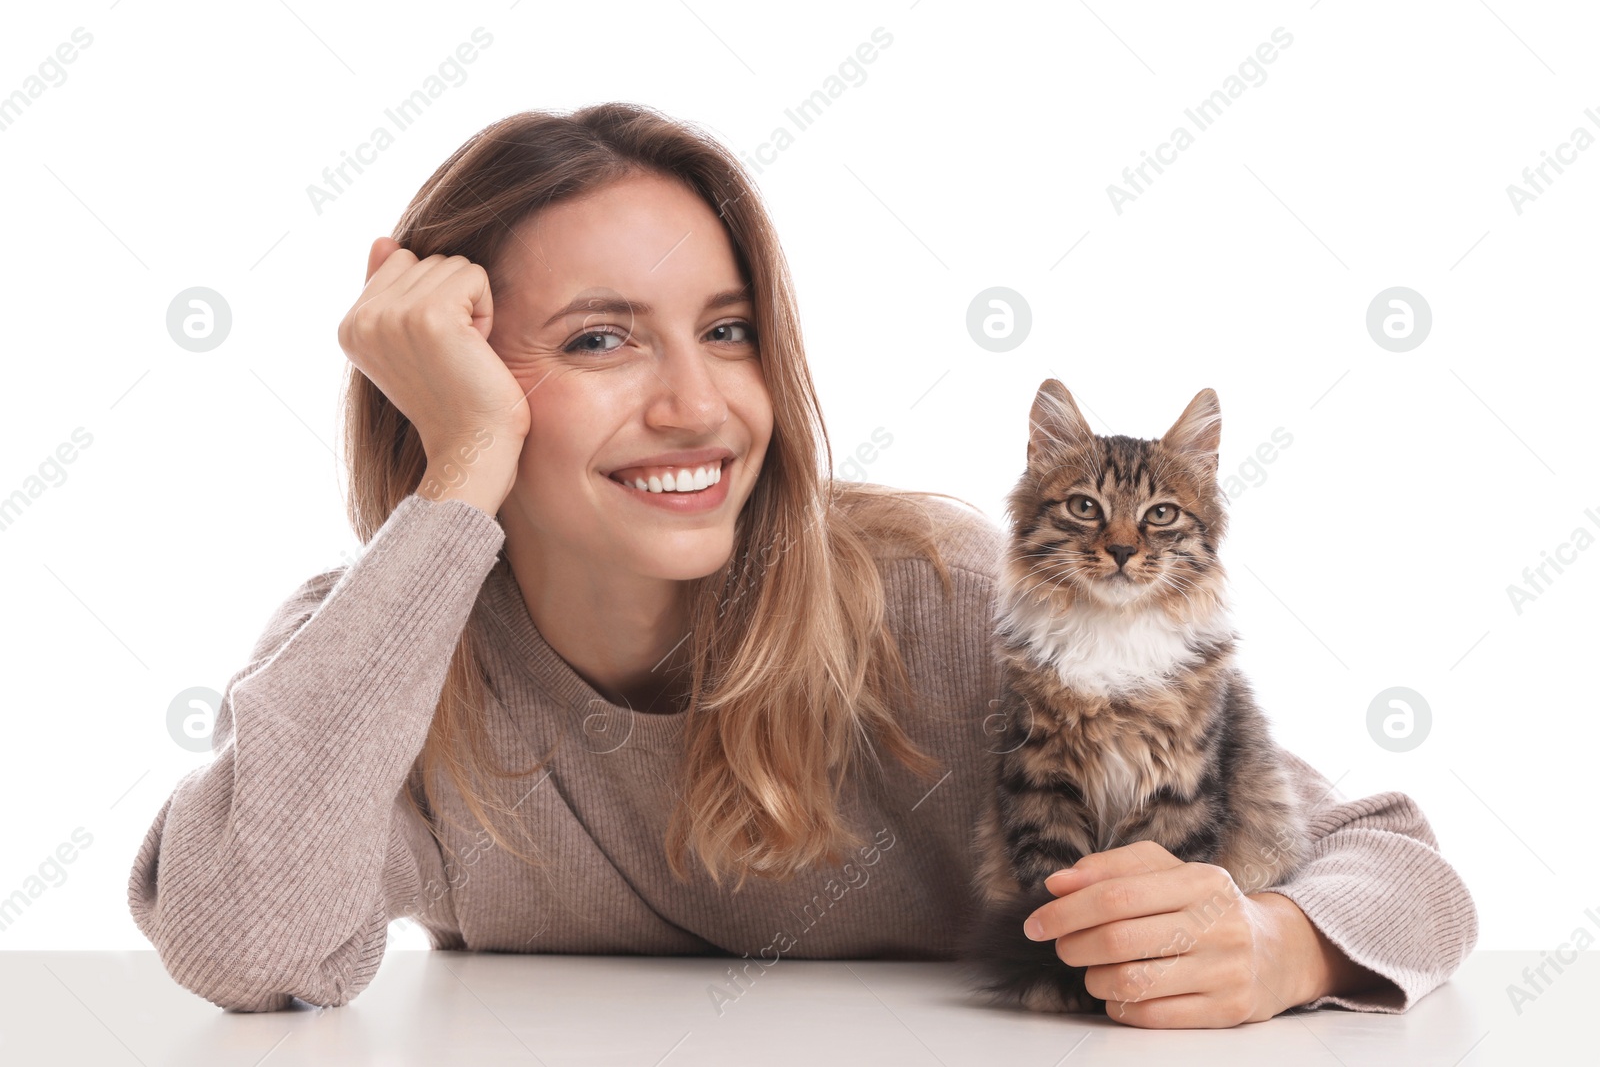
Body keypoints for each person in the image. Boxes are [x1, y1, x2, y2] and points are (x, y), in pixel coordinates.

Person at [127, 102, 1477, 1028]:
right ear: (453, 374)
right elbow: (242, 941)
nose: (699, 404)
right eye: (600, 340)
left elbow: (1396, 861)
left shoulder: (933, 603)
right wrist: (464, 464)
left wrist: (1276, 947)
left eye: (727, 330)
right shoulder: (380, 651)